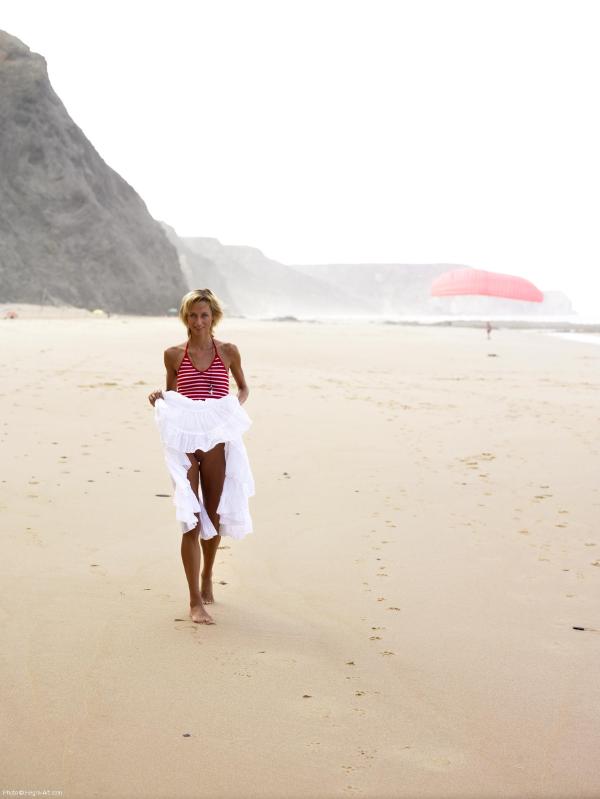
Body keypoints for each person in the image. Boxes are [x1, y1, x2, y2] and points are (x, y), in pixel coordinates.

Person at [148, 289, 254, 625]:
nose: (198, 322)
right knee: (190, 518)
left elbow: (242, 388)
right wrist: (160, 399)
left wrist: (230, 409)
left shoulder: (229, 351)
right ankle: (194, 600)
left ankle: (208, 574)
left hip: (217, 438)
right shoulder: (173, 354)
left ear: (214, 317)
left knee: (214, 513)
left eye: (204, 315)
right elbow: (173, 394)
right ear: (185, 317)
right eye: (192, 315)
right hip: (184, 439)